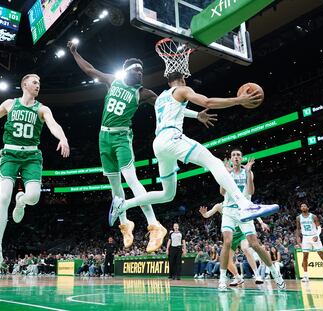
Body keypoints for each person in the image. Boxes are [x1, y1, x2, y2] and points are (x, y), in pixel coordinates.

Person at [67, 42, 214, 252]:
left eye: (142, 71)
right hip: (103, 137)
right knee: (114, 186)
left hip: (121, 138)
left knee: (132, 180)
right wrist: (74, 53)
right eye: (136, 70)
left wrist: (196, 114)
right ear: (126, 71)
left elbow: (169, 106)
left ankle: (154, 225)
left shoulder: (144, 93)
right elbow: (90, 69)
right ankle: (125, 224)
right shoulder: (113, 81)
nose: (140, 73)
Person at [109, 71, 279, 227]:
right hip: (172, 137)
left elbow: (177, 110)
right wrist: (239, 100)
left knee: (167, 194)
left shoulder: (161, 97)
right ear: (182, 80)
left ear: (168, 82)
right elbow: (207, 102)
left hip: (159, 143)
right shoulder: (182, 90)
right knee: (215, 162)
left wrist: (197, 115)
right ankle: (244, 204)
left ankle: (123, 204)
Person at [0, 74, 70, 270]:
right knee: (3, 197)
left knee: (34, 198)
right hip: (10, 153)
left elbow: (53, 125)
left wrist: (62, 138)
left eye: (40, 82)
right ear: (24, 84)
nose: (38, 85)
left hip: (31, 156)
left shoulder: (42, 109)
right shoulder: (10, 104)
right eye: (35, 82)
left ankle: (20, 201)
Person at [216, 149, 284, 290]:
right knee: (227, 242)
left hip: (244, 210)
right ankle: (222, 279)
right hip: (229, 210)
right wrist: (225, 174)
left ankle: (275, 273)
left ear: (241, 159)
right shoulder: (226, 173)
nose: (236, 157)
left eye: (238, 155)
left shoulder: (248, 172)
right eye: (234, 155)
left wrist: (248, 172)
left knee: (254, 244)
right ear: (230, 159)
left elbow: (251, 192)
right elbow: (222, 192)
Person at [199, 202, 267, 285]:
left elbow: (253, 210)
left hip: (242, 232)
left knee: (245, 248)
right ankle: (238, 278)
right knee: (225, 260)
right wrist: (204, 214)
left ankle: (257, 275)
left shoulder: (239, 201)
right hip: (231, 235)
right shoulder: (219, 206)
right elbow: (207, 215)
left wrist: (261, 223)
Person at [295, 202, 323, 283]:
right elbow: (298, 229)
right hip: (305, 238)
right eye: (301, 206)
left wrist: (317, 235)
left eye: (304, 206)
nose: (303, 207)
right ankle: (306, 276)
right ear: (300, 208)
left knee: (321, 256)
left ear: (307, 208)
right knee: (305, 257)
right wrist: (297, 238)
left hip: (314, 236)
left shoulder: (313, 216)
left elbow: (319, 227)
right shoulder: (298, 218)